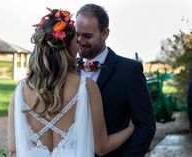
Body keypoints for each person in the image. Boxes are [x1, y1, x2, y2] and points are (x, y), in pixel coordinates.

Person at [8, 8, 134, 157]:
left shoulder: (20, 91)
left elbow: (13, 150)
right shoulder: (86, 87)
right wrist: (131, 128)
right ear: (67, 48)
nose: (79, 44)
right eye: (76, 40)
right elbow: (101, 147)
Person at [75, 4, 156, 157]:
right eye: (77, 34)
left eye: (87, 36)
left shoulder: (129, 71)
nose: (80, 40)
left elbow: (146, 126)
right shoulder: (68, 70)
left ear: (104, 33)